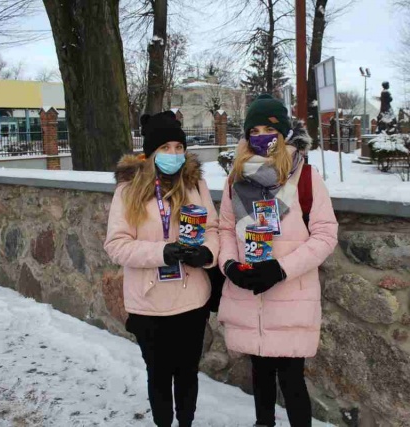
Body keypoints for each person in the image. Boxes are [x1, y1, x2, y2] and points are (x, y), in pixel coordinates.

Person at [218, 94, 338, 427]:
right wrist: (229, 266)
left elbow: (325, 236)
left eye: (269, 129)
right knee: (260, 376)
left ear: (284, 133)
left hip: (290, 297)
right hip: (250, 294)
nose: (261, 137)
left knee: (292, 379)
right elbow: (224, 229)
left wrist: (281, 269)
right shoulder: (236, 179)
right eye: (254, 131)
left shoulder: (306, 177)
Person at [104, 111, 219, 427]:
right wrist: (162, 252)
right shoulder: (128, 189)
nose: (174, 154)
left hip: (191, 299)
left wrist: (206, 253)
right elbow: (116, 245)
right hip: (149, 303)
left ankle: (186, 423)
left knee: (188, 372)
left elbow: (213, 228)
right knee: (158, 374)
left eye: (179, 147)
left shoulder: (195, 184)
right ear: (151, 152)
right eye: (165, 148)